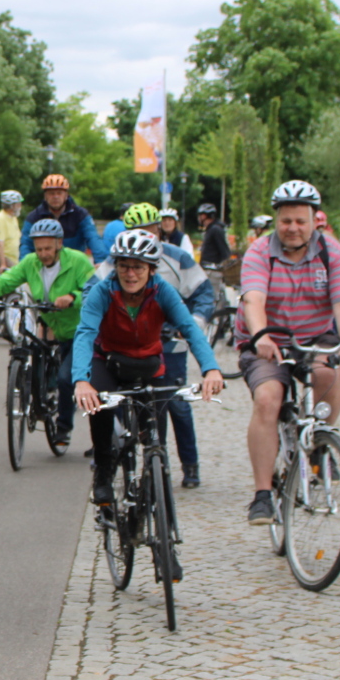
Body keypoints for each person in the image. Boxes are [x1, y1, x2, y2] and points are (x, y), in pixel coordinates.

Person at [236, 181, 340, 525]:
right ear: (276, 221)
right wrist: (261, 335)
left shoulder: (331, 252)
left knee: (328, 373)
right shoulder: (260, 251)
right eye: (286, 221)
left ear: (314, 221)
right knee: (268, 399)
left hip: (314, 336)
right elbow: (253, 299)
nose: (293, 228)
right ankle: (263, 495)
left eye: (300, 221)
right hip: (267, 338)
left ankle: (320, 442)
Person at [71, 230, 224, 507]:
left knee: (155, 437)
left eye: (138, 267)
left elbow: (190, 329)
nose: (130, 274)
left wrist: (210, 369)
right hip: (108, 360)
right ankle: (103, 473)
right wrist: (82, 380)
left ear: (152, 269)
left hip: (148, 365)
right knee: (99, 408)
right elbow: (84, 334)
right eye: (124, 266)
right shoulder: (102, 292)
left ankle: (156, 479)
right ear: (116, 266)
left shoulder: (163, 292)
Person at [0, 216, 94, 448]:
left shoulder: (78, 261)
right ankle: (38, 396)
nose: (43, 254)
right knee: (35, 350)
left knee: (66, 378)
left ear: (59, 244)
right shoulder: (31, 262)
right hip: (51, 325)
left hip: (78, 330)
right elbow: (6, 280)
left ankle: (64, 427)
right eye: (39, 249)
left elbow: (95, 290)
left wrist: (73, 297)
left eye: (48, 248)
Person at [121, 202, 215, 487]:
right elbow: (94, 293)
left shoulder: (178, 258)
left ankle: (190, 464)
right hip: (132, 347)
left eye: (149, 230)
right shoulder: (119, 261)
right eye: (135, 231)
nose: (143, 236)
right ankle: (138, 458)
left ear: (159, 230)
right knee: (126, 401)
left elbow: (204, 293)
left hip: (170, 347)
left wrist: (193, 324)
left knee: (176, 403)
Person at [22, 174, 99, 261]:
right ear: (45, 196)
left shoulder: (80, 214)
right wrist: (25, 265)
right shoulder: (34, 217)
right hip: (45, 264)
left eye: (59, 193)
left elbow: (93, 238)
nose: (55, 196)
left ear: (66, 195)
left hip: (74, 264)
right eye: (51, 193)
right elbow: (26, 244)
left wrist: (100, 261)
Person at [0, 190, 24, 272]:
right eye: (18, 203)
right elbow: (0, 243)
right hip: (4, 257)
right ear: (12, 205)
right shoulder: (0, 218)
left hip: (14, 258)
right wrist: (3, 264)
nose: (20, 206)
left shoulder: (13, 218)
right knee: (19, 276)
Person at [197, 204, 231, 270]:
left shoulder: (215, 229)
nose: (199, 218)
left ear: (204, 216)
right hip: (206, 268)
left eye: (200, 215)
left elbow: (224, 251)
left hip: (212, 270)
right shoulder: (210, 229)